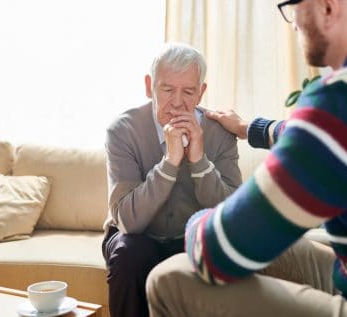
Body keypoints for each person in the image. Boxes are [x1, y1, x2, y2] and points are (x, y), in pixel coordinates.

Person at [145, 0, 347, 316]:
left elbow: (218, 252)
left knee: (169, 278)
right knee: (287, 249)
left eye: (293, 4)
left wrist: (196, 221)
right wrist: (250, 129)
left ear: (328, 6)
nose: (294, 23)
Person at [101, 42, 243, 317]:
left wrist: (198, 161)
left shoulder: (221, 132)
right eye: (167, 90)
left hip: (191, 238)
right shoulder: (122, 130)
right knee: (131, 253)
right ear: (148, 86)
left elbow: (231, 214)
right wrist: (170, 163)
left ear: (201, 92)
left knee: (217, 253)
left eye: (188, 92)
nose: (177, 102)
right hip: (136, 237)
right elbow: (128, 222)